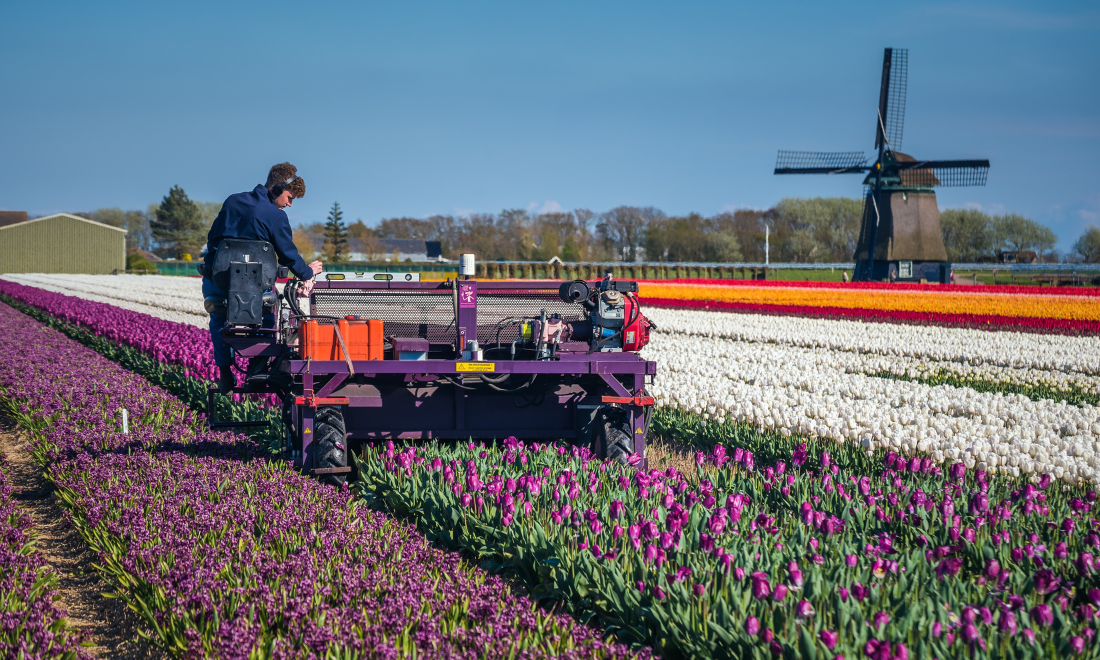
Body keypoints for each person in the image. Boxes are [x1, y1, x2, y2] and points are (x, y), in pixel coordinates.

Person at [202, 162, 323, 393]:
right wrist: (308, 272)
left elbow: (213, 239)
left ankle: (225, 375)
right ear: (276, 189)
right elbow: (288, 256)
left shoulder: (232, 201)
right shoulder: (276, 217)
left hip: (220, 284)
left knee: (218, 320)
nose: (289, 204)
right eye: (289, 197)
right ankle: (257, 370)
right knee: (268, 316)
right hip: (256, 289)